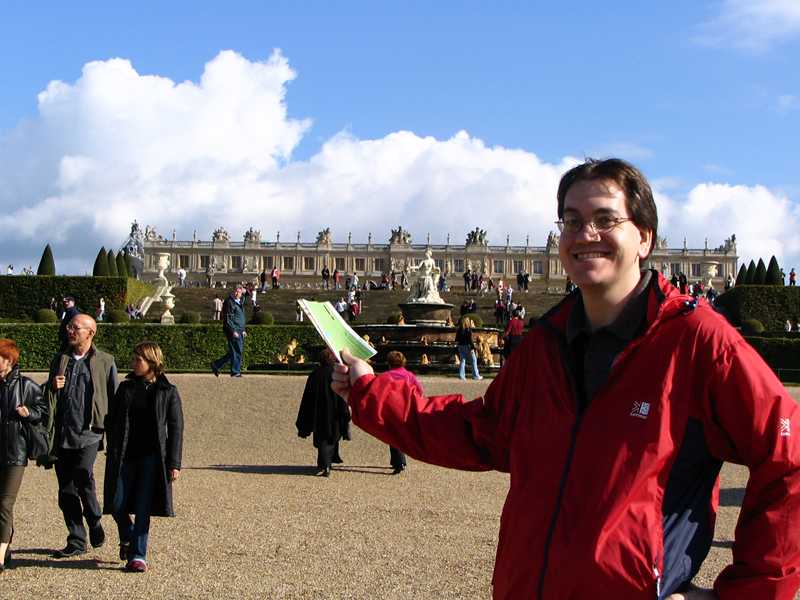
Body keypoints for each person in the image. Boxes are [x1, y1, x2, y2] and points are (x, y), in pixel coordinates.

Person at [331, 158, 800, 600]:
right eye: (572, 221)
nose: (585, 233)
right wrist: (371, 389)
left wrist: (746, 593)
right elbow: (480, 432)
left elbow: (789, 455)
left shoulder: (697, 340)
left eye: (605, 218)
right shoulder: (546, 343)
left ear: (645, 238)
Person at [103, 342, 184, 573]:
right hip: (125, 455)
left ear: (152, 362)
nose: (133, 363)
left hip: (152, 457)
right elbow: (113, 419)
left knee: (142, 506)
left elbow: (176, 429)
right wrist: (110, 441)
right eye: (134, 359)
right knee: (116, 502)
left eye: (138, 359)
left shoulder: (168, 391)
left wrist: (174, 463)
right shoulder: (126, 388)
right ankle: (127, 534)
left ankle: (138, 556)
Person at [48, 314, 118, 558]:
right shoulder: (60, 359)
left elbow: (114, 399)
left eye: (75, 327)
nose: (70, 331)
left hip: (90, 433)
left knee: (83, 477)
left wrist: (114, 436)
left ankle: (94, 519)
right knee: (66, 490)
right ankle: (77, 539)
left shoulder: (105, 361)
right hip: (63, 433)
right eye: (69, 327)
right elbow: (48, 400)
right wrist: (51, 388)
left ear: (91, 332)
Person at [0, 339, 48, 572]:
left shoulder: (26, 386)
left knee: (4, 503)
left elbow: (43, 412)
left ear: (8, 361)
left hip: (14, 452)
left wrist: (30, 412)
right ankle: (5, 549)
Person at [296, 349, 350, 477]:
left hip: (319, 410)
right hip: (334, 410)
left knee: (322, 438)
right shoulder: (336, 373)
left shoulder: (315, 374)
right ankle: (327, 463)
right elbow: (342, 394)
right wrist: (345, 411)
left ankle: (325, 463)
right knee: (332, 435)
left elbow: (307, 396)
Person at [381, 351, 418, 474]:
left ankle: (399, 462)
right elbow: (418, 392)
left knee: (393, 436)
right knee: (401, 434)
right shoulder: (409, 375)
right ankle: (399, 460)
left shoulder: (387, 376)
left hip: (392, 408)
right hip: (406, 408)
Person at [211, 285, 246, 377]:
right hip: (233, 330)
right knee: (236, 350)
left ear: (241, 293)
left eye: (238, 292)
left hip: (239, 329)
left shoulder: (239, 302)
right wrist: (233, 330)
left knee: (235, 351)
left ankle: (216, 364)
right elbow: (228, 318)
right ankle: (235, 371)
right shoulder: (229, 302)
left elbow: (239, 317)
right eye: (235, 291)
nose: (236, 293)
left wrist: (243, 329)